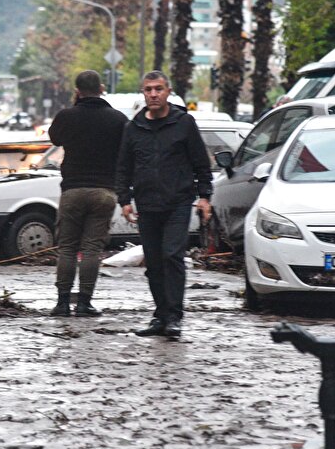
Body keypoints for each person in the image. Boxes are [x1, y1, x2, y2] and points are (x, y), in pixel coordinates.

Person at [116, 71, 213, 340]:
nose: (154, 94)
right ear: (143, 93)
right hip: (147, 205)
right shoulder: (134, 128)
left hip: (178, 202)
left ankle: (174, 316)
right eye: (148, 89)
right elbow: (123, 167)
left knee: (172, 255)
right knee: (155, 262)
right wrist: (124, 200)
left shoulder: (183, 123)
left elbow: (201, 164)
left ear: (168, 91)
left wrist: (205, 196)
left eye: (159, 89)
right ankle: (160, 315)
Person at [47, 70, 128, 317]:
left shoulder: (67, 116)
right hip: (104, 191)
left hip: (72, 190)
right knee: (92, 249)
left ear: (77, 90)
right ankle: (84, 303)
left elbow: (55, 138)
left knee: (67, 248)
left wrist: (74, 105)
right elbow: (126, 152)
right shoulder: (117, 119)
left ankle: (62, 303)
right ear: (102, 88)